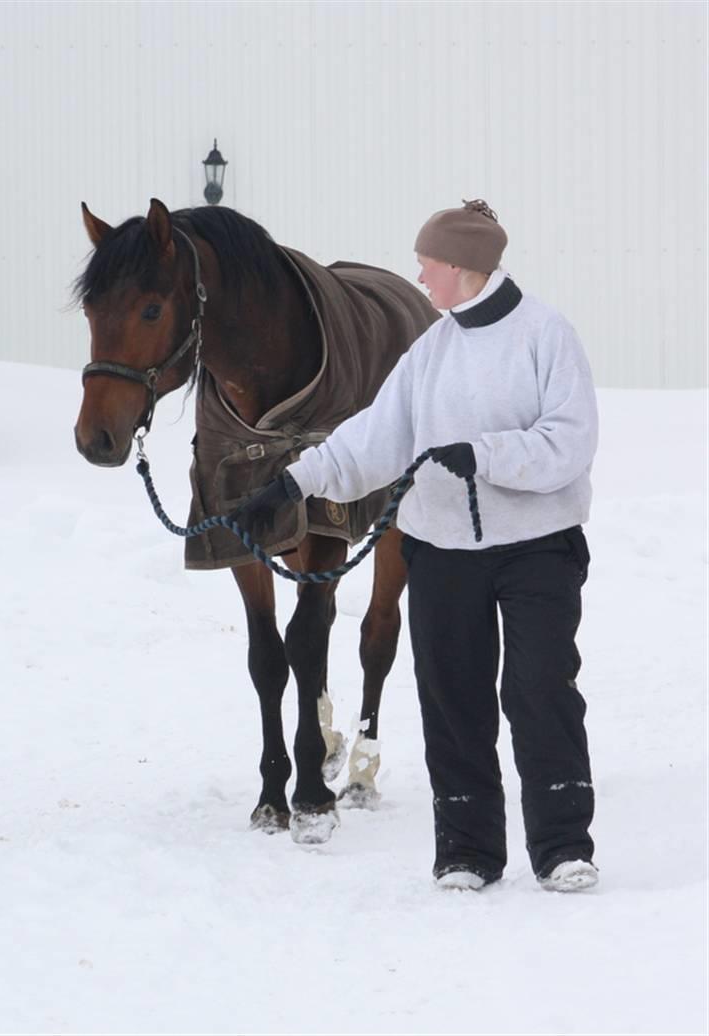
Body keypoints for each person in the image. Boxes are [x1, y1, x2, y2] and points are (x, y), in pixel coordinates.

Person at [234, 199, 600, 894]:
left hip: (539, 548)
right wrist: (291, 485)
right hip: (443, 549)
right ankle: (466, 849)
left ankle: (561, 846)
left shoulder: (546, 335)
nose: (420, 273)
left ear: (462, 267)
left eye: (428, 262)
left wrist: (485, 454)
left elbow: (571, 442)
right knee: (452, 696)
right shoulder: (430, 351)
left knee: (538, 689)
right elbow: (375, 438)